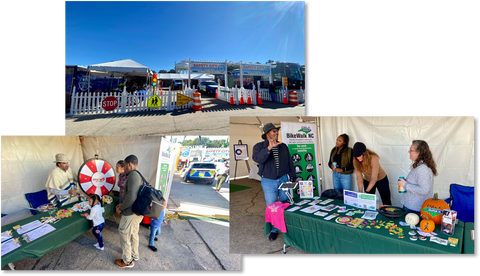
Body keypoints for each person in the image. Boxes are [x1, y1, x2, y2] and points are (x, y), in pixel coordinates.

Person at [252, 123, 296, 241]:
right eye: (273, 131)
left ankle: (286, 225)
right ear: (267, 134)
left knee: (285, 202)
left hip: (283, 178)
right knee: (272, 206)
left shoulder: (283, 146)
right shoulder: (259, 146)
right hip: (268, 180)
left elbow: (289, 162)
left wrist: (293, 176)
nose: (276, 133)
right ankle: (274, 229)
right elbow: (258, 159)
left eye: (277, 131)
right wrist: (269, 148)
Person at [115, 155, 144, 268]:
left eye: (125, 165)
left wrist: (120, 208)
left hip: (130, 213)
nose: (124, 168)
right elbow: (133, 195)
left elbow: (131, 197)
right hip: (137, 212)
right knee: (134, 234)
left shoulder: (132, 175)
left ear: (129, 164)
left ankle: (127, 261)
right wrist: (123, 204)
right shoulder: (139, 174)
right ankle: (134, 255)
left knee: (125, 235)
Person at [398, 140, 437, 213]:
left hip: (415, 208)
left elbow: (424, 190)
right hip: (411, 205)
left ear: (419, 152)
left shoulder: (423, 169)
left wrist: (406, 185)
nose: (409, 152)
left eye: (411, 150)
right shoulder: (419, 165)